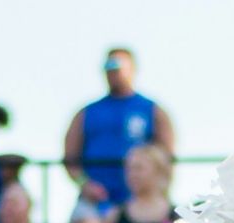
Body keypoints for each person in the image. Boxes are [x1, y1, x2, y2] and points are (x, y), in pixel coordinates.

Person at [62, 47, 176, 211]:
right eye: (108, 67)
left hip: (139, 200)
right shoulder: (87, 112)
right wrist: (85, 185)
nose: (112, 72)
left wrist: (156, 190)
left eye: (117, 66)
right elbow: (70, 157)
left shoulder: (152, 110)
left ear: (132, 69)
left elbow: (167, 156)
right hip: (97, 201)